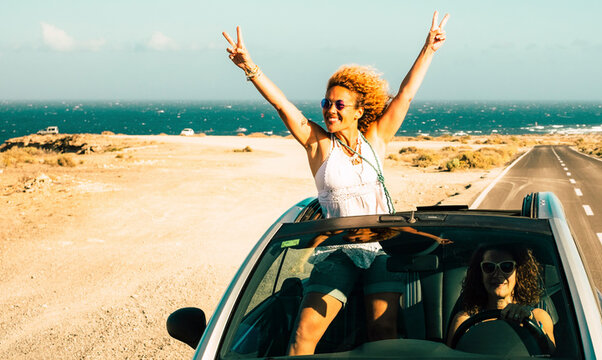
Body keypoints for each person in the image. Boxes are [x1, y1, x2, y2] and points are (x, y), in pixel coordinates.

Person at [223, 11, 450, 356]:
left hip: (380, 249)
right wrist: (249, 68)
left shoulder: (376, 138)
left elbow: (404, 96)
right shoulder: (319, 145)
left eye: (339, 104)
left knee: (383, 332)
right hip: (337, 251)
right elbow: (284, 107)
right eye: (326, 103)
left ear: (359, 110)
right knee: (302, 338)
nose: (330, 109)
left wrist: (428, 49)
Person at [446, 245, 555, 347]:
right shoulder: (464, 321)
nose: (498, 274)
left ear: (519, 272)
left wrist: (531, 322)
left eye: (506, 266)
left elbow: (551, 352)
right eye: (489, 267)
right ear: (480, 273)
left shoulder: (538, 317)